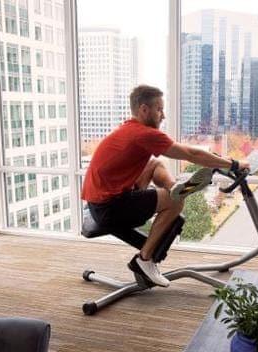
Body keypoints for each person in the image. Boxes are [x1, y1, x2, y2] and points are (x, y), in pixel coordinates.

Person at [82, 85, 249, 287]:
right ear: (144, 109)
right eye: (159, 109)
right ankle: (144, 260)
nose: (163, 115)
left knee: (155, 164)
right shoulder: (144, 134)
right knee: (175, 202)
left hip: (100, 203)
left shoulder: (129, 128)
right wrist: (233, 164)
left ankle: (173, 187)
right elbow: (191, 154)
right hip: (110, 208)